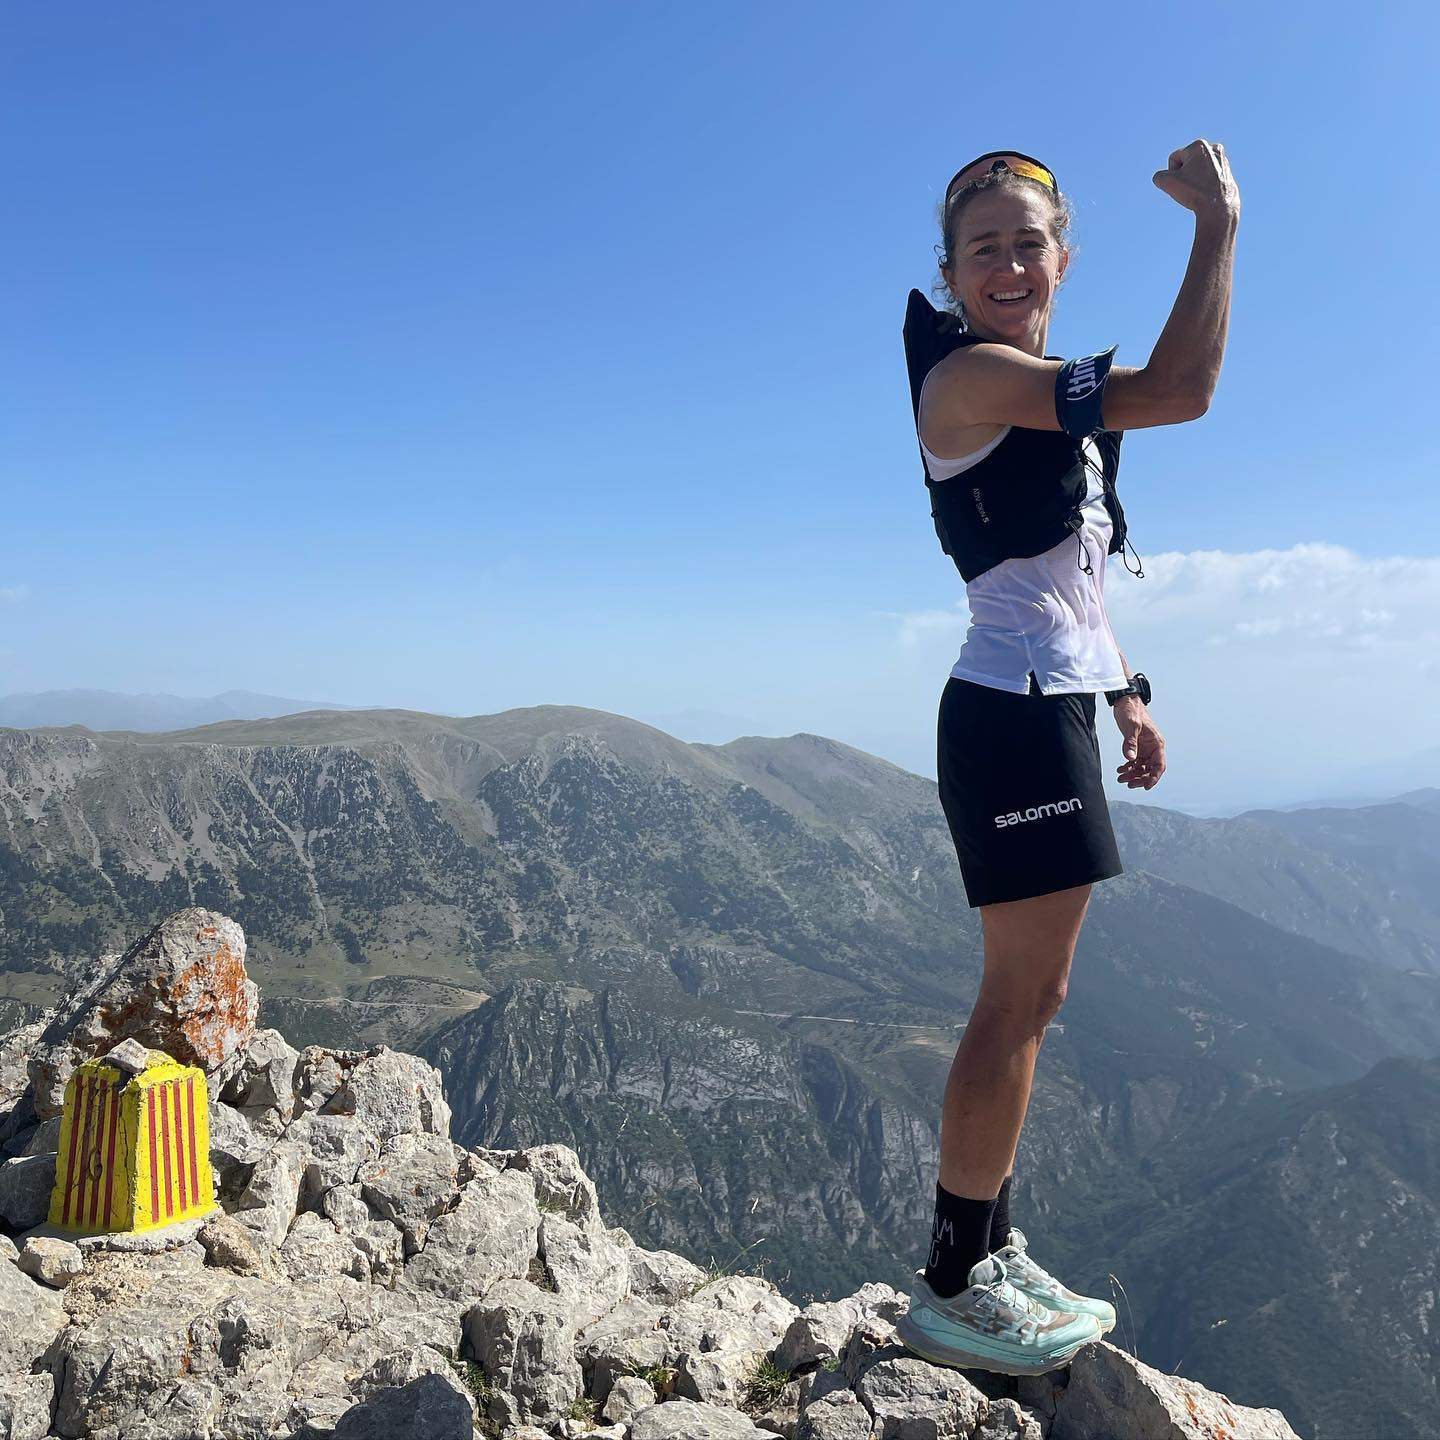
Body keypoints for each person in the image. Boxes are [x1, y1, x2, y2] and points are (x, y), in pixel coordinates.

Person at [893, 141, 1239, 1375]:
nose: (1005, 262)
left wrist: (1129, 692)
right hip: (1009, 715)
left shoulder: (1039, 389)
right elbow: (1185, 387)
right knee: (1014, 1001)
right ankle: (953, 1280)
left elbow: (1068, 585)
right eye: (981, 245)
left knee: (1039, 999)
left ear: (1061, 260)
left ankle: (982, 1247)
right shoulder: (975, 379)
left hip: (1054, 703)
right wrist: (1219, 226)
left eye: (1026, 242)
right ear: (950, 271)